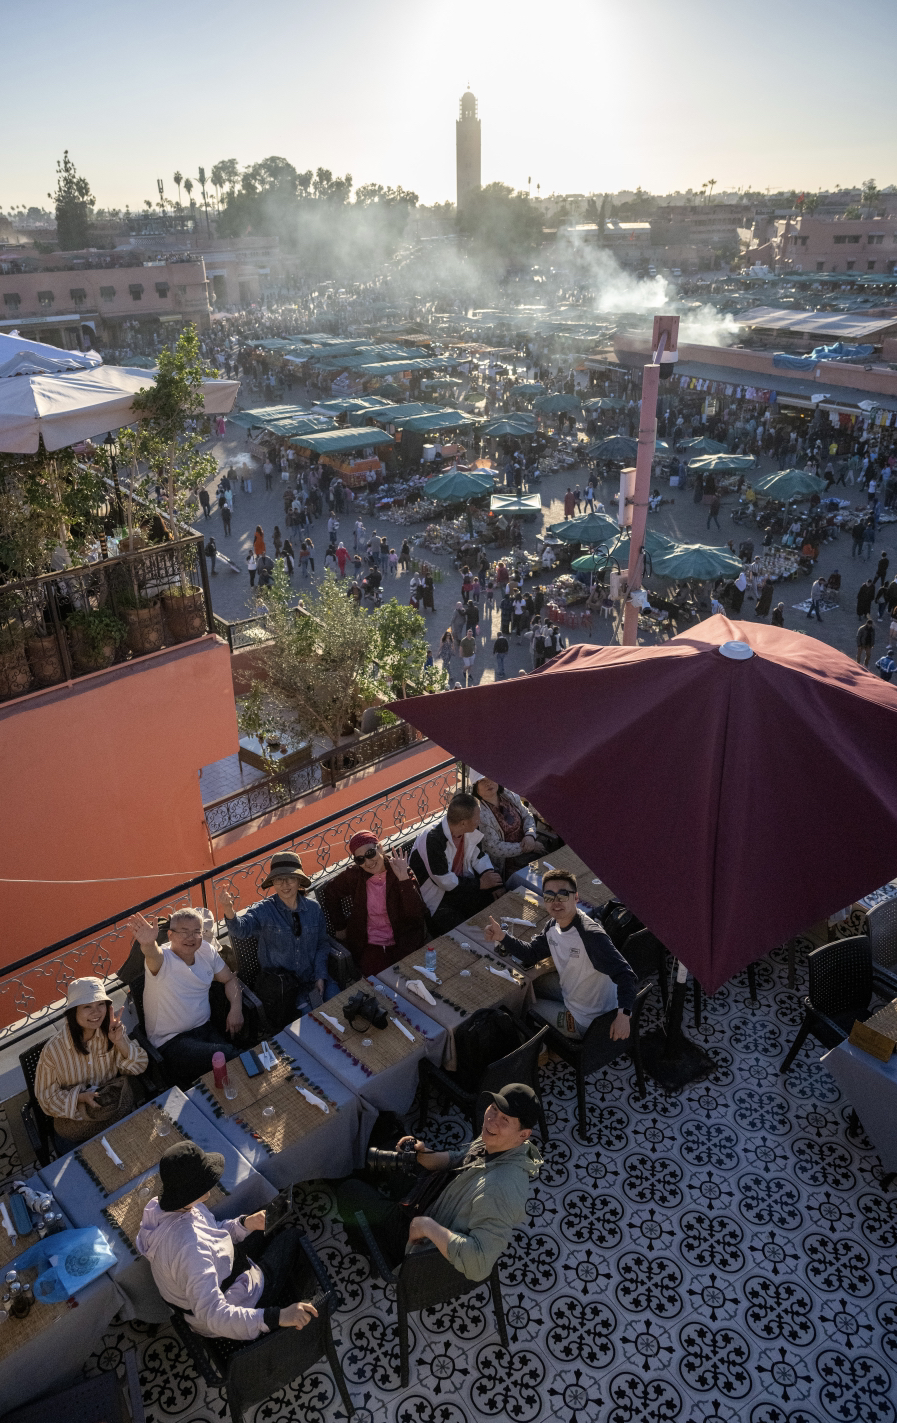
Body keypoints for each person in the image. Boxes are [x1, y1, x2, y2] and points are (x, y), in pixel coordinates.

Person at [335, 1084, 542, 1280]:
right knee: (388, 1142)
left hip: (419, 1241)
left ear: (523, 1135)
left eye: (505, 1119)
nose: (491, 1119)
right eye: (494, 1108)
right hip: (433, 1195)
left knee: (348, 1190)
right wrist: (423, 1153)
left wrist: (426, 1226)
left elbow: (480, 1265)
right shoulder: (498, 1141)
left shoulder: (501, 1190)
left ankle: (383, 1252)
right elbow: (456, 1160)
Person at [137, 1141, 320, 1340]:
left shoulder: (164, 1208)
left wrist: (245, 1224)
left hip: (216, 1277)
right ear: (193, 1190)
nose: (213, 1181)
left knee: (265, 1221)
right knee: (292, 1237)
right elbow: (215, 1316)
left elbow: (212, 1233)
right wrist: (278, 1317)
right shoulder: (193, 1251)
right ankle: (306, 1306)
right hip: (232, 1304)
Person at [483, 869, 638, 1040]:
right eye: (549, 896)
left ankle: (538, 1048)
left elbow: (626, 975)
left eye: (563, 895)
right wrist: (502, 937)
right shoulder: (553, 926)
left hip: (588, 1019)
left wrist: (624, 1016)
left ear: (576, 897)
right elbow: (531, 953)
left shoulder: (591, 936)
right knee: (532, 985)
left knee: (525, 1007)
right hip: (574, 993)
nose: (556, 902)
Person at [220, 851, 338, 1030]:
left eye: (290, 878)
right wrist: (229, 910)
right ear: (273, 883)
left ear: (299, 881)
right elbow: (240, 930)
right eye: (278, 879)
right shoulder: (264, 910)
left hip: (314, 976)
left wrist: (320, 976)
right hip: (285, 990)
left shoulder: (313, 909)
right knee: (315, 1028)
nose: (284, 884)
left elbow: (322, 944)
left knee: (340, 1010)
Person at [128, 907, 247, 1083]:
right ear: (170, 935)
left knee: (233, 1057)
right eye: (184, 932)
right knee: (229, 1056)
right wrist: (148, 944)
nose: (191, 937)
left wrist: (236, 1009)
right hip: (172, 1042)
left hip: (205, 1028)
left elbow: (229, 979)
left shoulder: (206, 951)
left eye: (196, 932)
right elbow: (153, 955)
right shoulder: (163, 960)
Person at [35, 977, 148, 1149]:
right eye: (87, 1006)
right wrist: (80, 1097)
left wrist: (120, 1042)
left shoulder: (112, 1031)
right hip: (78, 1124)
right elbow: (46, 1099)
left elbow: (140, 1066)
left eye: (100, 1004)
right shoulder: (53, 1051)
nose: (96, 1013)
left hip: (111, 1110)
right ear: (73, 1011)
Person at [319, 833, 428, 977]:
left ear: (380, 848)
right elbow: (330, 892)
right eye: (360, 859)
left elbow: (416, 913)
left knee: (413, 978)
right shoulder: (355, 875)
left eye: (370, 853)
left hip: (404, 939)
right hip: (371, 944)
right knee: (379, 982)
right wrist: (340, 926)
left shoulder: (400, 869)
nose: (368, 862)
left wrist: (404, 880)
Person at [409, 792, 503, 934]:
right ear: (464, 822)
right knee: (461, 933)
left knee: (497, 904)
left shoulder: (470, 829)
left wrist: (494, 884)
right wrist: (481, 884)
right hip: (437, 897)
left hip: (462, 886)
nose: (480, 819)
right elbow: (443, 880)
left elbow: (478, 856)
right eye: (477, 817)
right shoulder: (432, 838)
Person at [469, 771, 545, 877]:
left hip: (530, 845)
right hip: (507, 863)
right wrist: (528, 847)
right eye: (482, 781)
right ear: (476, 788)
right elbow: (495, 847)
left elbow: (527, 815)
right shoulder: (481, 814)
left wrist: (530, 835)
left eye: (490, 777)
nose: (488, 783)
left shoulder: (508, 795)